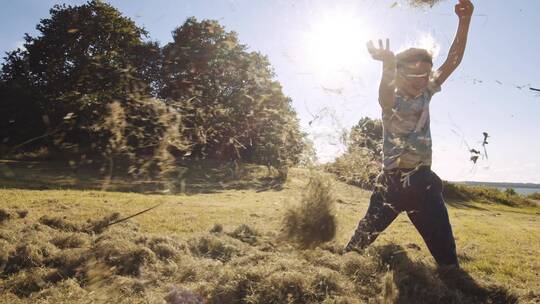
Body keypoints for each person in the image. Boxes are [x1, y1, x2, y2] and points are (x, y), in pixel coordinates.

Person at [344, 0, 474, 267]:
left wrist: (464, 21)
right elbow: (383, 95)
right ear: (399, 74)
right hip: (390, 184)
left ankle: (450, 269)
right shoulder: (392, 100)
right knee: (353, 251)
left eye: (424, 74)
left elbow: (453, 60)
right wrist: (387, 64)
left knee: (449, 263)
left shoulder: (427, 92)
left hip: (423, 185)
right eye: (413, 74)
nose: (420, 80)